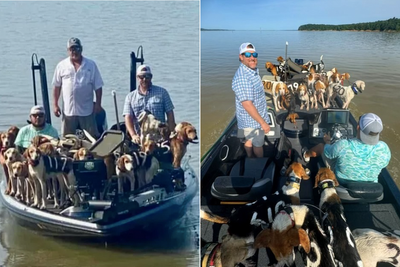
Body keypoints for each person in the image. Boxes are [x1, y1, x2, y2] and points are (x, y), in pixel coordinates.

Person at [303, 113, 391, 184]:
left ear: (357, 127)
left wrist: (327, 142)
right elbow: (383, 164)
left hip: (342, 183)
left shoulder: (344, 144)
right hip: (371, 186)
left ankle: (306, 154)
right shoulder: (384, 148)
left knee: (322, 147)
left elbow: (328, 153)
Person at [52, 37, 103, 138]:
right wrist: (55, 105)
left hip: (87, 111)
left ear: (81, 49)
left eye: (77, 48)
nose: (74, 51)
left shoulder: (91, 65)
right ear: (68, 51)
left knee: (91, 139)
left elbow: (98, 86)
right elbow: (56, 86)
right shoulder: (61, 65)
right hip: (68, 111)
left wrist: (98, 104)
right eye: (72, 49)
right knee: (67, 140)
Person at [232, 42, 271, 158]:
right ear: (241, 57)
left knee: (249, 140)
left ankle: (249, 157)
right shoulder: (243, 78)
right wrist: (263, 123)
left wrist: (264, 107)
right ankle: (259, 162)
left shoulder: (251, 71)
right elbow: (247, 104)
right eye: (248, 55)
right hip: (253, 122)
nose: (252, 58)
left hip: (252, 119)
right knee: (258, 144)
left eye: (254, 55)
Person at [122, 64, 176, 144]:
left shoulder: (162, 92)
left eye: (147, 77)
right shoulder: (130, 97)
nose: (144, 79)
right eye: (141, 77)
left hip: (160, 138)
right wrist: (133, 135)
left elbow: (170, 114)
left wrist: (171, 133)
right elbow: (128, 117)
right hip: (140, 139)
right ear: (137, 78)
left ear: (151, 77)